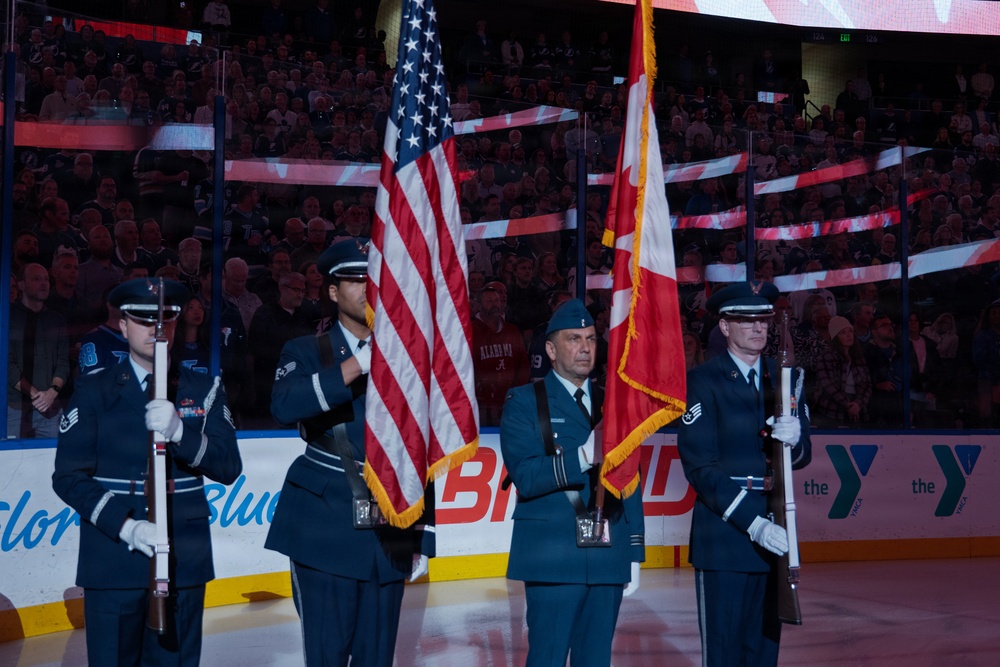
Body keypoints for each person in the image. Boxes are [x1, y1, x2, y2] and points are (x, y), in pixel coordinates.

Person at [52, 278, 241, 665]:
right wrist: (126, 526)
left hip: (183, 558)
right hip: (113, 556)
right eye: (143, 320)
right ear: (122, 325)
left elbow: (227, 466)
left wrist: (180, 434)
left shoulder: (203, 389)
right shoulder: (94, 390)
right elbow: (68, 476)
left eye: (168, 320)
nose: (158, 330)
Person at [265, 238, 433, 666]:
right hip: (326, 529)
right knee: (327, 657)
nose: (367, 288)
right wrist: (359, 363)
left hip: (391, 532)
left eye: (374, 279)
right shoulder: (305, 350)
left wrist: (421, 536)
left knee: (378, 659)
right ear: (333, 292)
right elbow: (284, 405)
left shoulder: (408, 360)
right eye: (356, 280)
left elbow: (418, 448)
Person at [500, 299, 643, 667]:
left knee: (596, 660)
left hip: (608, 554)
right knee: (546, 658)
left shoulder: (612, 403)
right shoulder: (523, 402)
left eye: (591, 339)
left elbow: (630, 478)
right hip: (553, 556)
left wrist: (634, 551)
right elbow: (527, 477)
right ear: (550, 349)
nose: (584, 348)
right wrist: (582, 456)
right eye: (573, 339)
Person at [677, 281, 811, 667]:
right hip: (725, 534)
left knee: (763, 652)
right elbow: (701, 469)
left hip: (777, 526)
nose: (758, 328)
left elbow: (801, 457)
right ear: (724, 327)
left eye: (764, 320)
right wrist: (753, 524)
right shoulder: (703, 381)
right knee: (724, 653)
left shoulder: (783, 377)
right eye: (745, 320)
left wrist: (796, 438)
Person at [8, 263, 70, 438]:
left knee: (51, 461)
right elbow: (6, 363)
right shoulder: (8, 315)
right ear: (21, 285)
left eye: (46, 280)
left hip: (49, 408)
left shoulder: (56, 319)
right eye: (36, 279)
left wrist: (52, 393)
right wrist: (37, 395)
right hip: (14, 407)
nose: (44, 283)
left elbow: (63, 362)